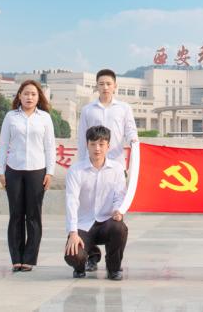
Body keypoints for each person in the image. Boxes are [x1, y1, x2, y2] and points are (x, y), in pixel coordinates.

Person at [75, 68, 139, 272]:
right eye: (101, 84)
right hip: (90, 166)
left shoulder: (124, 108)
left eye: (108, 84)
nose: (105, 87)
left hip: (115, 167)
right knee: (87, 211)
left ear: (115, 86)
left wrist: (134, 141)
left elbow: (130, 130)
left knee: (116, 213)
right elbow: (82, 139)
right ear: (96, 86)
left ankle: (114, 263)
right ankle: (92, 255)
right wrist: (81, 163)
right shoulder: (88, 110)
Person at [0, 79, 56, 273]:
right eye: (26, 93)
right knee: (15, 215)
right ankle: (16, 258)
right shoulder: (11, 117)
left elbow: (50, 147)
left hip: (37, 171)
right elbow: (3, 145)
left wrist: (50, 172)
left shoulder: (44, 118)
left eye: (33, 94)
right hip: (14, 170)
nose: (29, 97)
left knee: (33, 216)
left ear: (39, 97)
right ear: (19, 96)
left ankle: (29, 258)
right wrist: (1, 171)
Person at [64, 125, 129, 281]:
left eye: (101, 144)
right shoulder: (76, 170)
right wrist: (73, 232)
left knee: (120, 228)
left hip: (106, 222)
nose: (97, 148)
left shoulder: (117, 169)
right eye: (93, 144)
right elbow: (72, 201)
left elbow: (119, 196)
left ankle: (113, 268)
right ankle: (84, 261)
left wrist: (118, 210)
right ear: (87, 145)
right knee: (72, 255)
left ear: (108, 146)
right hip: (84, 224)